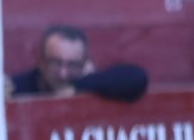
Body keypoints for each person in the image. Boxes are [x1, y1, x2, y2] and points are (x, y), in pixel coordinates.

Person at [9, 25, 150, 100]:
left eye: (72, 65)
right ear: (41, 61)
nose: (63, 73)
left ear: (84, 65)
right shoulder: (20, 87)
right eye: (56, 63)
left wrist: (78, 86)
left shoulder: (89, 83)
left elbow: (138, 77)